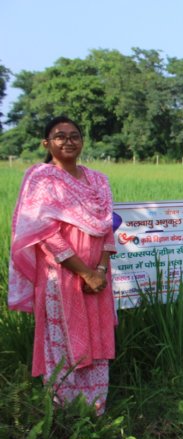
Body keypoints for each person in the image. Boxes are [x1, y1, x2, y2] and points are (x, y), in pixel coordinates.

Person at [8, 116, 117, 415]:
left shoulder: (99, 180)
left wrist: (101, 273)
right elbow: (44, 233)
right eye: (59, 136)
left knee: (96, 338)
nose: (68, 141)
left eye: (74, 135)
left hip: (98, 275)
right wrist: (83, 272)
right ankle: (65, 413)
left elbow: (107, 228)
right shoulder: (41, 178)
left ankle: (96, 409)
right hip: (61, 275)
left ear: (82, 141)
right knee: (66, 342)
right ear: (47, 143)